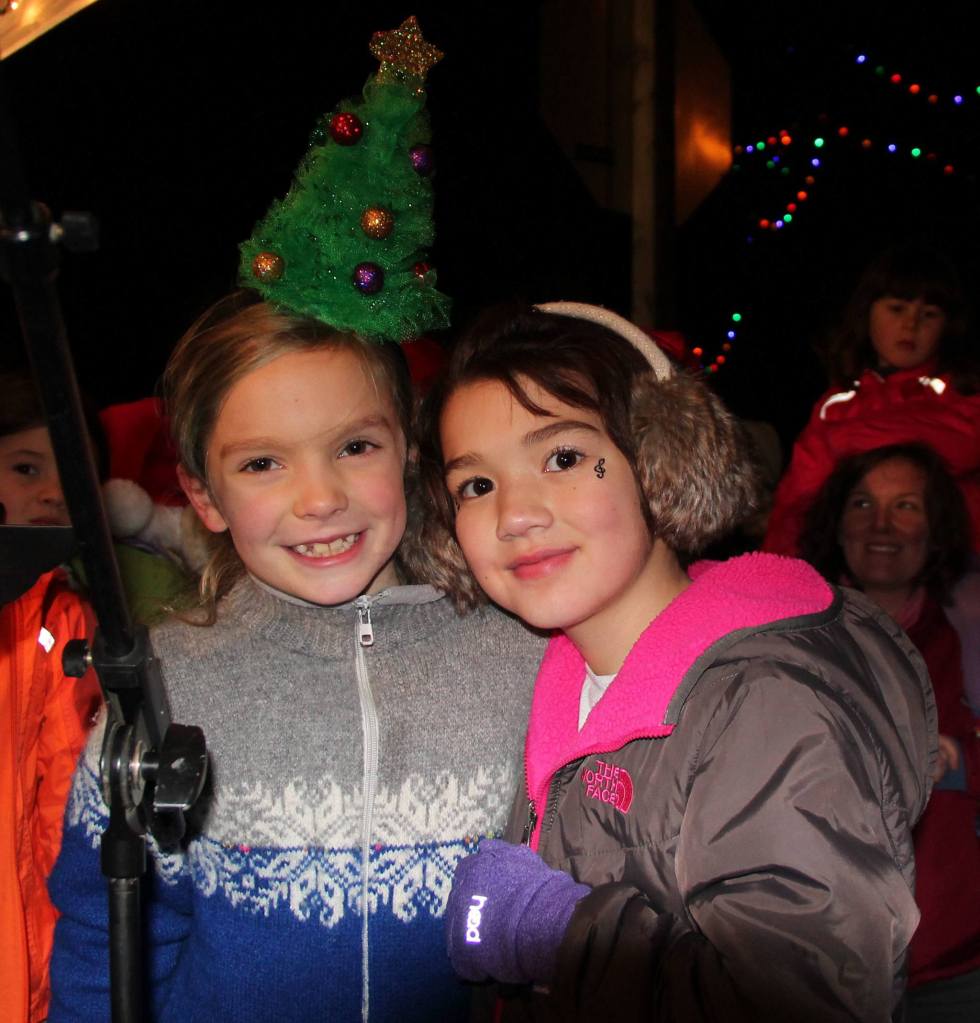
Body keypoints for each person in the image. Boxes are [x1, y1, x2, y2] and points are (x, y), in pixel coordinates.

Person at [410, 301, 936, 1022]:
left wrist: (557, 933)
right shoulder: (553, 676)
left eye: (562, 457)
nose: (514, 515)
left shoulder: (768, 706)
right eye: (477, 484)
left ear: (663, 462)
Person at [801, 443, 980, 1021]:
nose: (881, 524)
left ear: (936, 527)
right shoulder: (790, 632)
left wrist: (957, 763)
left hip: (956, 957)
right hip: (827, 959)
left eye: (906, 506)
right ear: (837, 522)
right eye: (862, 503)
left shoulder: (968, 629)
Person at [764, 241, 980, 556]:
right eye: (897, 309)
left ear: (948, 327)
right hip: (855, 572)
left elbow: (964, 444)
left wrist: (844, 439)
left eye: (929, 314)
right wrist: (776, 573)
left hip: (955, 573)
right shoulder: (838, 403)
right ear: (867, 313)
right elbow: (797, 503)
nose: (911, 324)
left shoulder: (962, 390)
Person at [1, 510, 101, 1022]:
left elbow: (65, 814)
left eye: (63, 473)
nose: (48, 491)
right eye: (24, 467)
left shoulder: (59, 617)